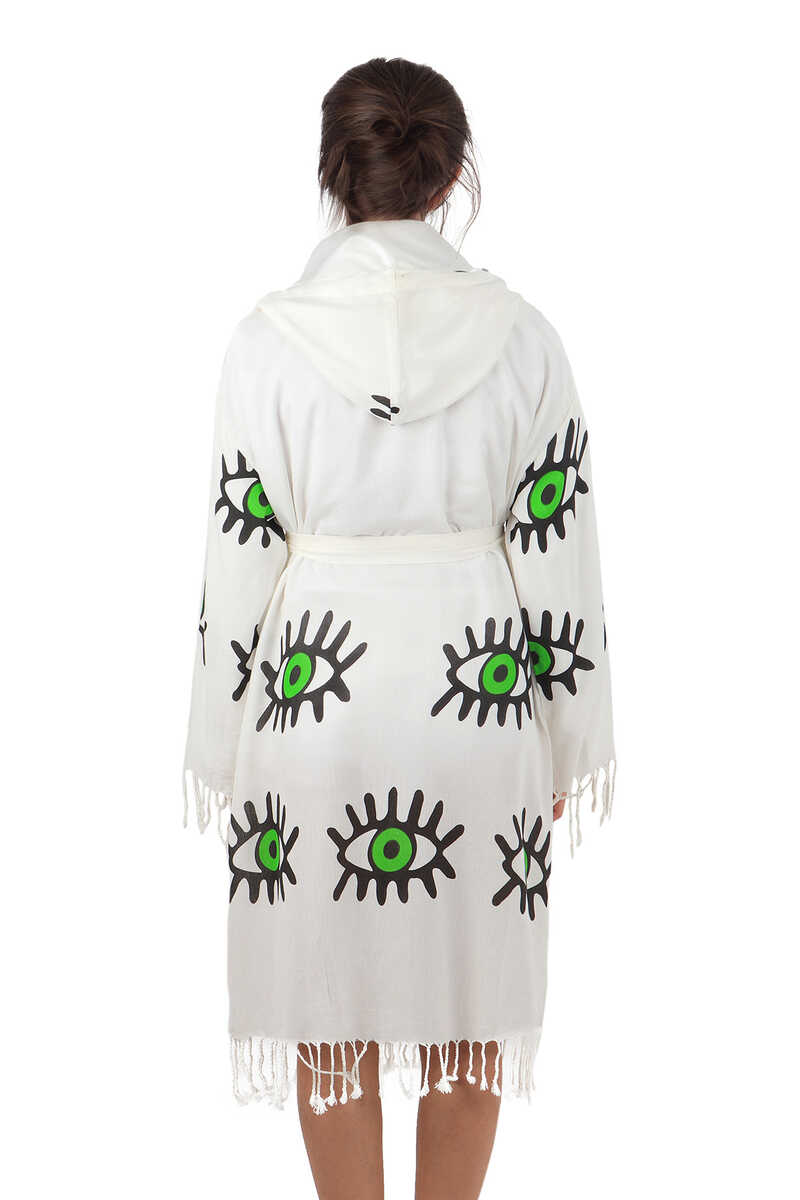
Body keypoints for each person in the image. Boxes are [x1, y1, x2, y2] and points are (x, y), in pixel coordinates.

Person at [183, 55, 615, 1200]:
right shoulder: (523, 339)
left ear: (333, 174)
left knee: (329, 1018)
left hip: (312, 711)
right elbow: (558, 550)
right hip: (479, 707)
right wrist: (566, 739)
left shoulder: (265, 342)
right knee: (474, 1008)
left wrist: (221, 748)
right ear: (450, 178)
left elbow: (239, 554)